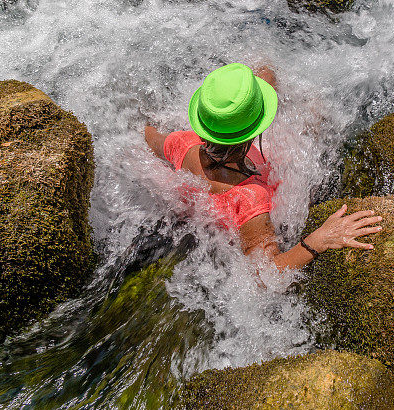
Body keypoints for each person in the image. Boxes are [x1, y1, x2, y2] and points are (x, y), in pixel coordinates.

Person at [144, 63, 381, 271]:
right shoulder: (251, 198)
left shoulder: (182, 143)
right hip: (239, 227)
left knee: (269, 74)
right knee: (314, 116)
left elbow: (147, 135)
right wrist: (319, 240)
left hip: (204, 218)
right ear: (255, 131)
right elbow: (263, 275)